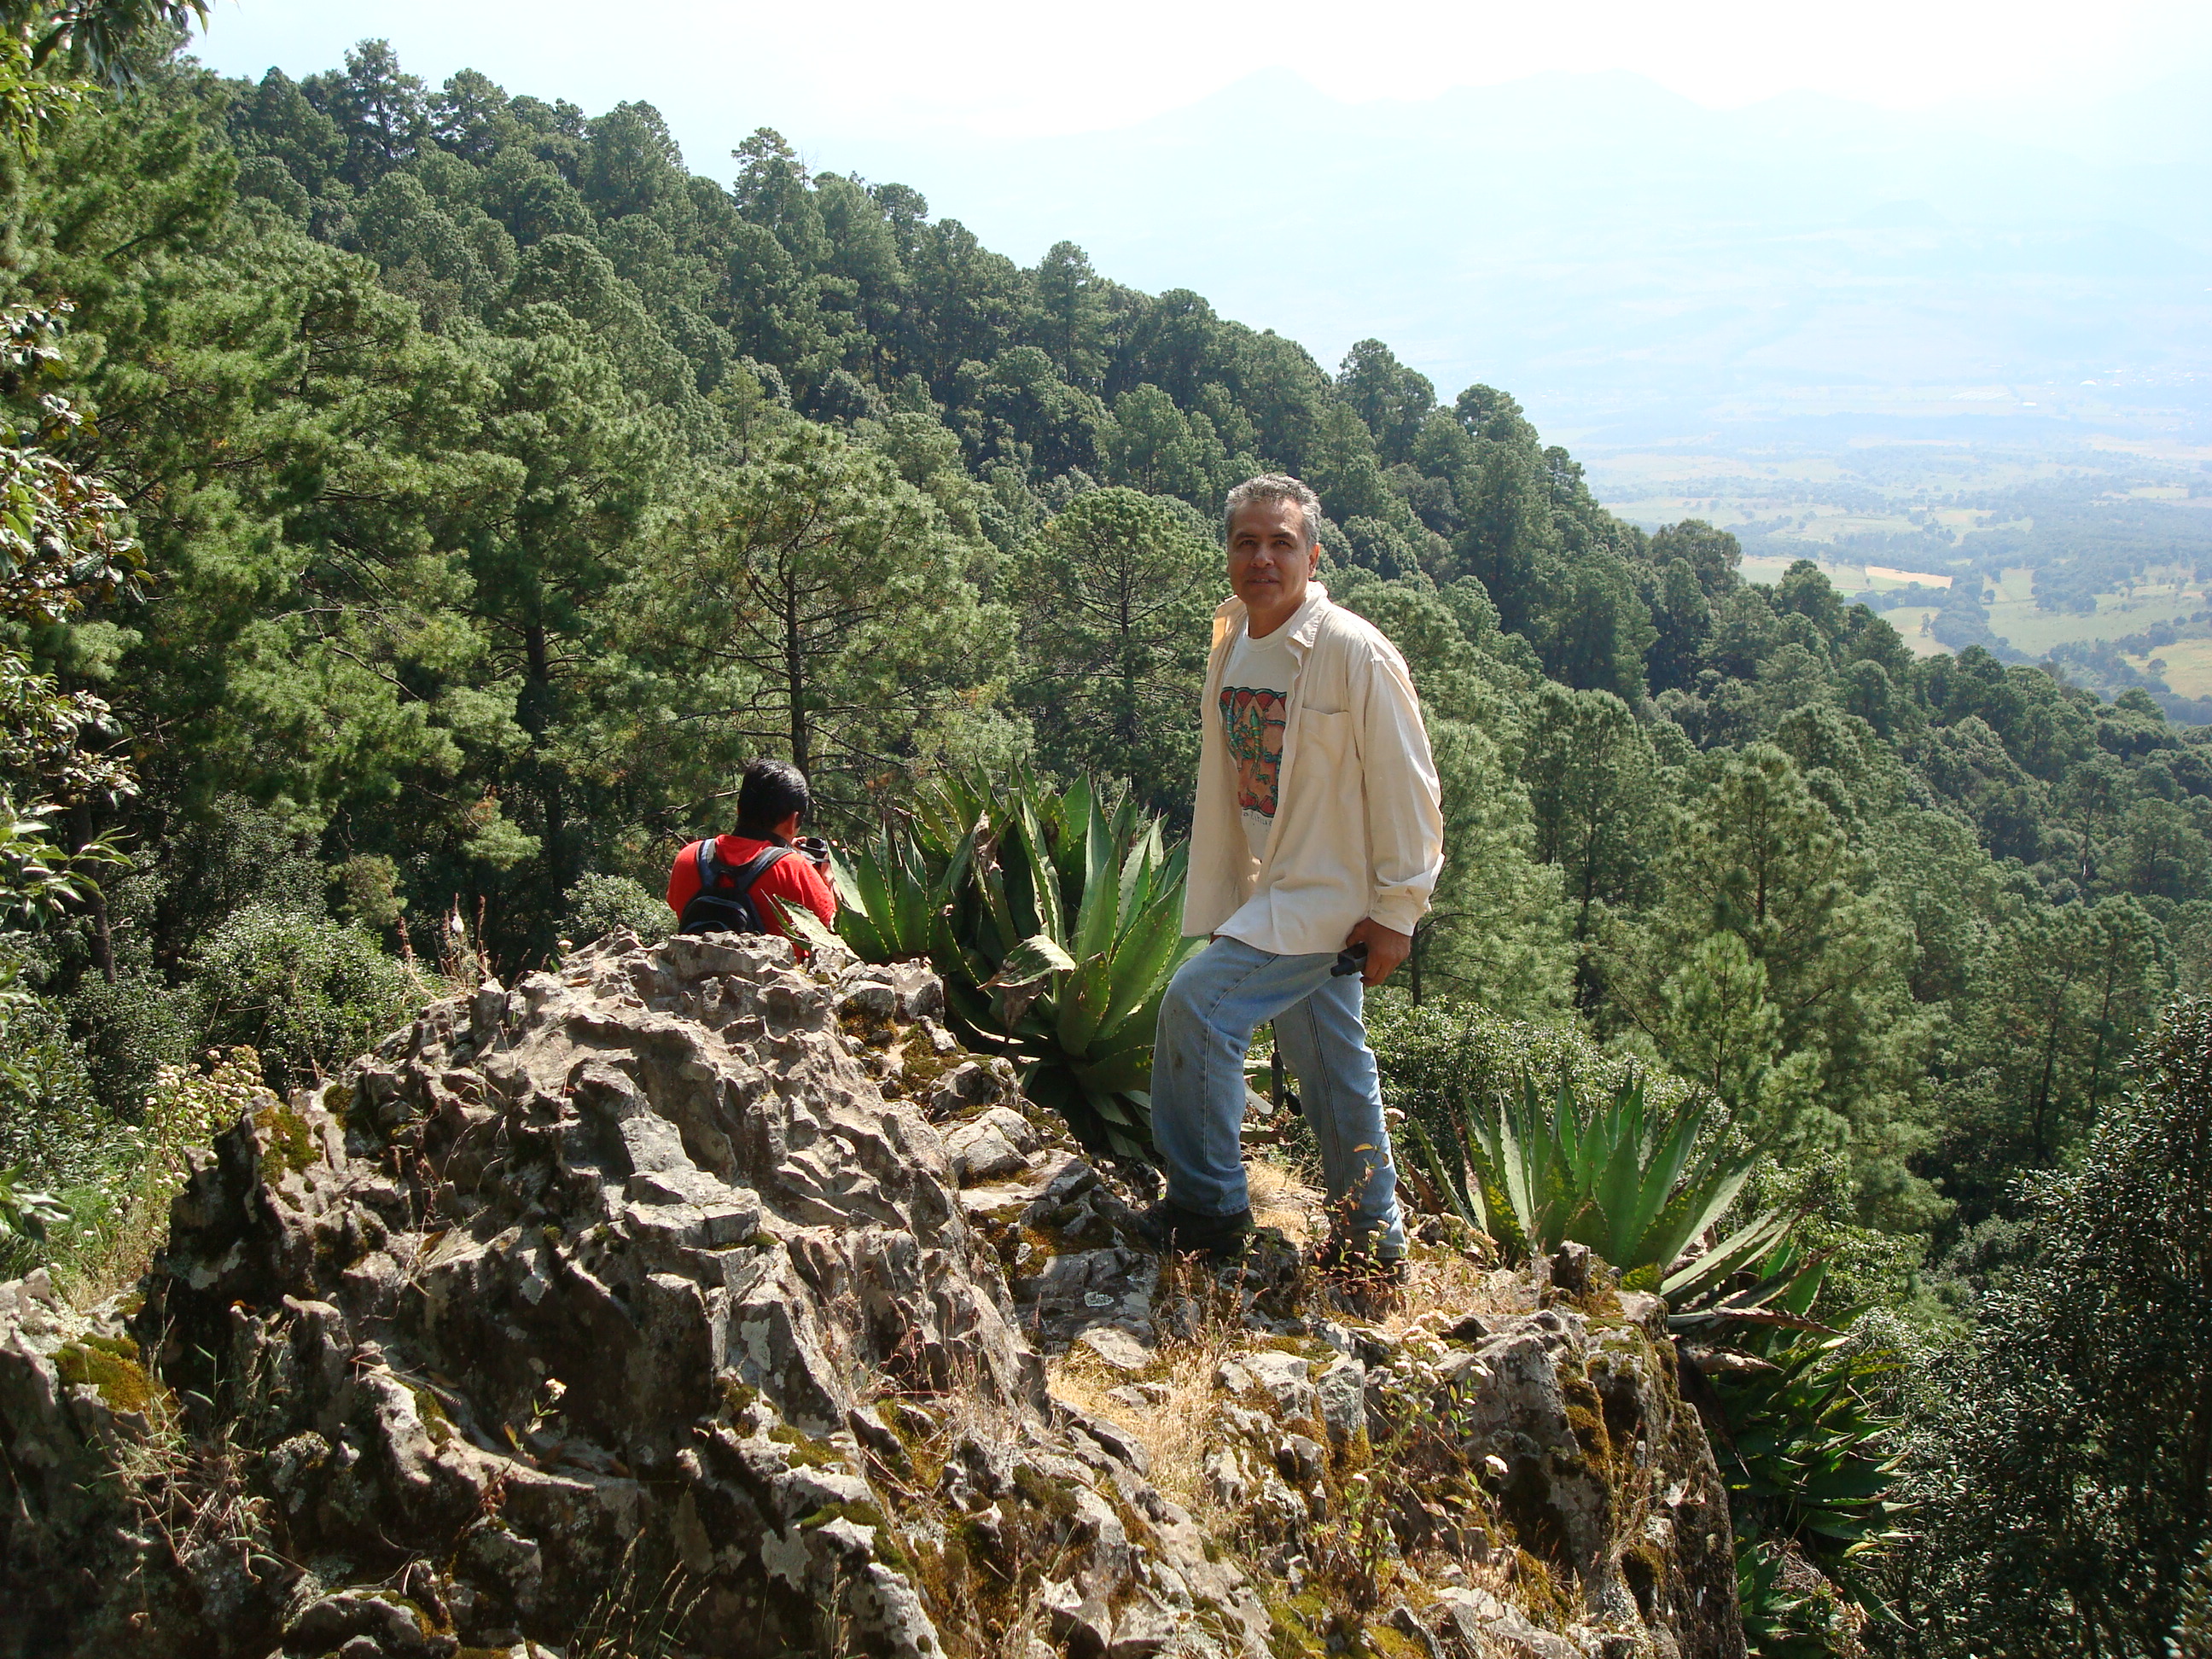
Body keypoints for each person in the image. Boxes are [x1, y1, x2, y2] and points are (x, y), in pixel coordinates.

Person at [1136, 474, 1443, 1271]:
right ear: (1228, 554)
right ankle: (1374, 1253)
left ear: (1313, 553)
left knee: (1198, 1009)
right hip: (1274, 886)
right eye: (1247, 542)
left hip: (1329, 895)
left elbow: (1409, 784)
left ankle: (1207, 1212)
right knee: (1331, 1063)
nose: (1262, 558)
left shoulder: (1352, 650)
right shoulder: (1233, 637)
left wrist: (1398, 911)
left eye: (1281, 542)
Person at [666, 758, 838, 943]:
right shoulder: (793, 869)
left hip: (693, 968)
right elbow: (834, 935)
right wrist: (829, 878)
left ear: (739, 808)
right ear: (793, 820)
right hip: (773, 972)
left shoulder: (689, 856)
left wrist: (781, 853)